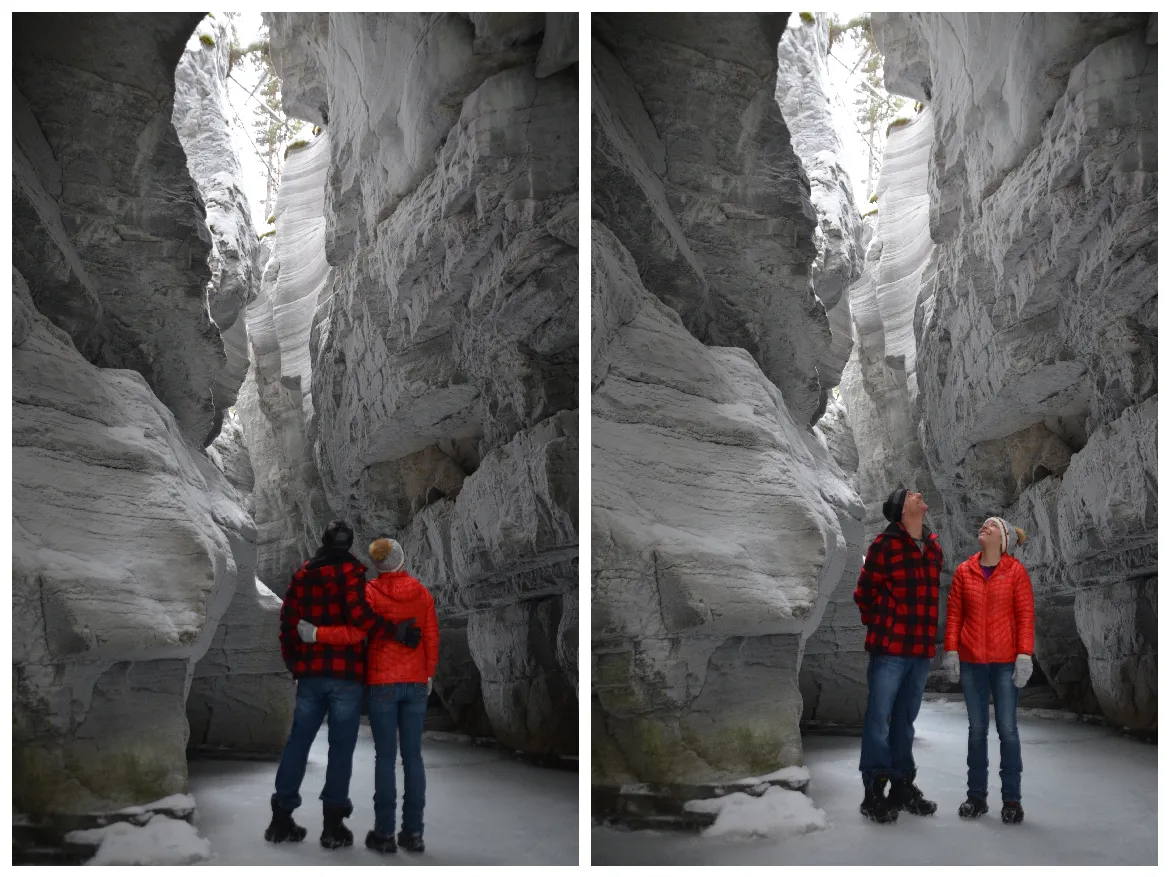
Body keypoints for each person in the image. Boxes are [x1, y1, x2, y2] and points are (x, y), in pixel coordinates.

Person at [265, 520, 423, 849]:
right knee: (341, 748)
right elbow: (359, 617)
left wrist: (293, 660)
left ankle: (281, 818)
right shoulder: (352, 574)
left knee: (298, 742)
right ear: (348, 544)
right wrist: (396, 631)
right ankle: (332, 827)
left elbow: (288, 620)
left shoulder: (303, 574)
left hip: (310, 672)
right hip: (346, 675)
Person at [299, 537, 440, 855]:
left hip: (382, 684)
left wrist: (316, 633)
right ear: (402, 559)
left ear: (377, 565)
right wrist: (428, 673)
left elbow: (354, 633)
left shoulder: (369, 594)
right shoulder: (421, 593)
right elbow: (431, 637)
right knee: (414, 758)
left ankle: (384, 834)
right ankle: (414, 833)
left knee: (386, 759)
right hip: (416, 682)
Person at [853, 486, 942, 824]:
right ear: (901, 509)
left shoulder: (933, 548)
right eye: (910, 494)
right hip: (890, 648)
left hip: (920, 650)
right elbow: (865, 594)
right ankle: (873, 791)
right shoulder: (884, 545)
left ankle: (902, 786)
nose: (919, 494)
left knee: (905, 722)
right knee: (879, 721)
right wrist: (883, 625)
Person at [942, 516, 1035, 825]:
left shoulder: (1016, 572)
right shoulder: (963, 571)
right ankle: (976, 797)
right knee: (977, 730)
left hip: (1006, 661)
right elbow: (954, 614)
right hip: (972, 662)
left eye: (992, 526)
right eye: (983, 524)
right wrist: (951, 650)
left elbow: (1024, 615)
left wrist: (1024, 655)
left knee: (1007, 730)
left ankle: (1012, 800)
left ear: (1003, 539)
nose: (984, 526)